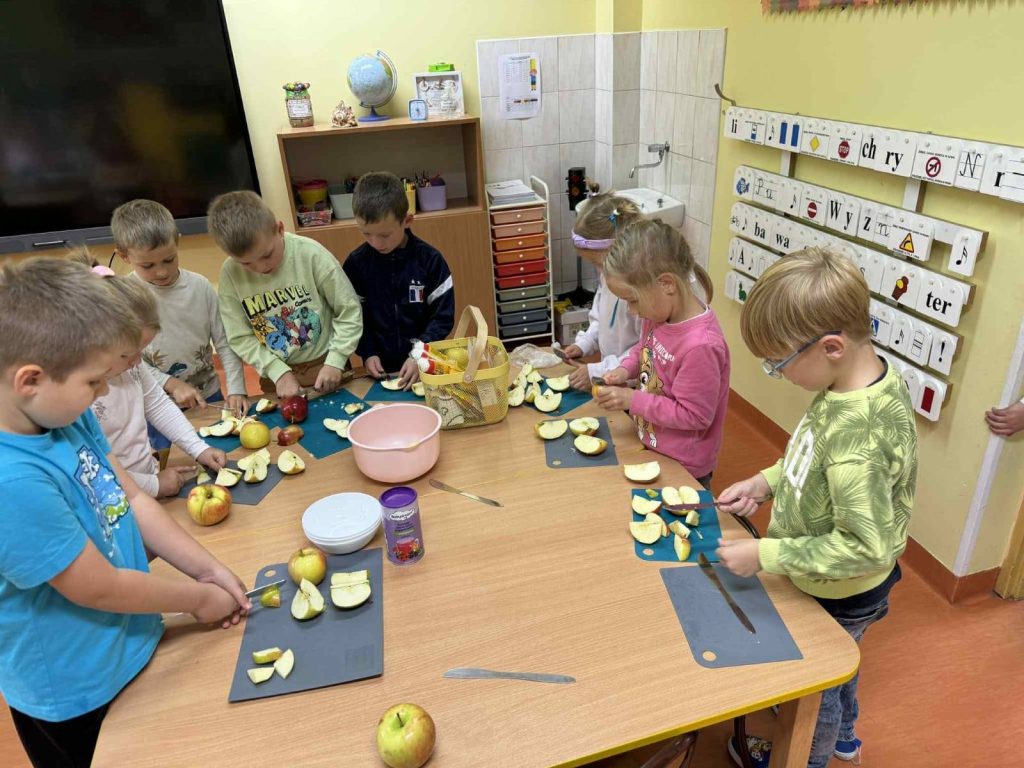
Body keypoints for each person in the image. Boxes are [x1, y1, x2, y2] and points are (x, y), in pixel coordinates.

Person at [0, 258, 249, 768]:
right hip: (76, 692)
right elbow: (99, 587)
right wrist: (197, 599)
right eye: (94, 381)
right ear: (30, 380)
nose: (104, 392)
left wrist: (207, 570)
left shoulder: (64, 417)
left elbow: (131, 498)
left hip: (134, 639)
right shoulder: (13, 481)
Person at [715, 247, 918, 768]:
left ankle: (808, 758)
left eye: (778, 364)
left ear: (831, 347)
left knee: (815, 688)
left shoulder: (859, 440)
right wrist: (765, 483)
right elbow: (811, 458)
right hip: (833, 581)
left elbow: (863, 548)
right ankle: (844, 737)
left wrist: (765, 556)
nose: (776, 373)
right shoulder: (853, 385)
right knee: (840, 665)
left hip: (841, 590)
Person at [594, 219, 729, 490]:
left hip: (684, 465)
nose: (632, 311)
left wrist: (633, 399)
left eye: (633, 300)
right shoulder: (658, 314)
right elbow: (644, 349)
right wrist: (626, 368)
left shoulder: (701, 346)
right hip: (651, 443)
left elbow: (694, 416)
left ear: (666, 284)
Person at [86, 262, 228, 498]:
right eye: (127, 355)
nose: (138, 361)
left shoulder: (130, 365)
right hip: (114, 498)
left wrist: (198, 449)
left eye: (141, 351)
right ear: (93, 343)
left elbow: (158, 404)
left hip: (145, 482)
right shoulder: (79, 398)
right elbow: (94, 470)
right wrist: (153, 485)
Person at [209, 190, 363, 398]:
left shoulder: (310, 254)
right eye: (246, 263)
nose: (261, 268)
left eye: (267, 255)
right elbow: (239, 337)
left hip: (327, 366)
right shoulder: (230, 273)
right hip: (275, 378)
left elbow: (349, 310)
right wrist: (277, 372)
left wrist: (336, 360)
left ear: (279, 229)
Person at [111, 199, 249, 418]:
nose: (162, 272)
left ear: (177, 243)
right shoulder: (124, 297)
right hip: (155, 403)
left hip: (208, 395)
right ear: (124, 256)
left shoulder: (201, 287)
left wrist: (236, 389)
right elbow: (126, 361)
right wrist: (170, 383)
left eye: (169, 259)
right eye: (148, 265)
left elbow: (224, 342)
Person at [343, 171, 454, 389]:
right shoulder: (356, 264)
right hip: (379, 370)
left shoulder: (430, 261)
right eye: (366, 234)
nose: (376, 243)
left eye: (384, 235)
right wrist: (367, 352)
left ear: (407, 221)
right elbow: (352, 316)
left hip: (424, 365)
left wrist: (419, 354)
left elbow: (442, 318)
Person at [559, 194, 643, 391]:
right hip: (611, 378)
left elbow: (645, 350)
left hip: (632, 383)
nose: (600, 271)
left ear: (622, 251)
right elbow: (600, 318)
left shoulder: (642, 293)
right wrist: (585, 343)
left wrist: (600, 370)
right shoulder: (609, 275)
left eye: (599, 263)